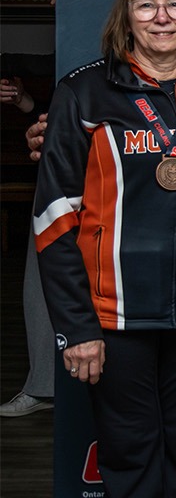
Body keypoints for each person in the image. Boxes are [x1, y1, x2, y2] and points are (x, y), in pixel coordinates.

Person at [31, 0, 176, 498]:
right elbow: (54, 216)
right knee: (129, 455)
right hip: (115, 310)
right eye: (146, 5)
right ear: (126, 18)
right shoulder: (84, 93)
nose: (162, 17)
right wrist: (76, 327)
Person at [1, 71, 55, 418]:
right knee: (41, 273)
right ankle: (43, 387)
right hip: (59, 172)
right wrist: (26, 102)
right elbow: (52, 113)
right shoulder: (70, 42)